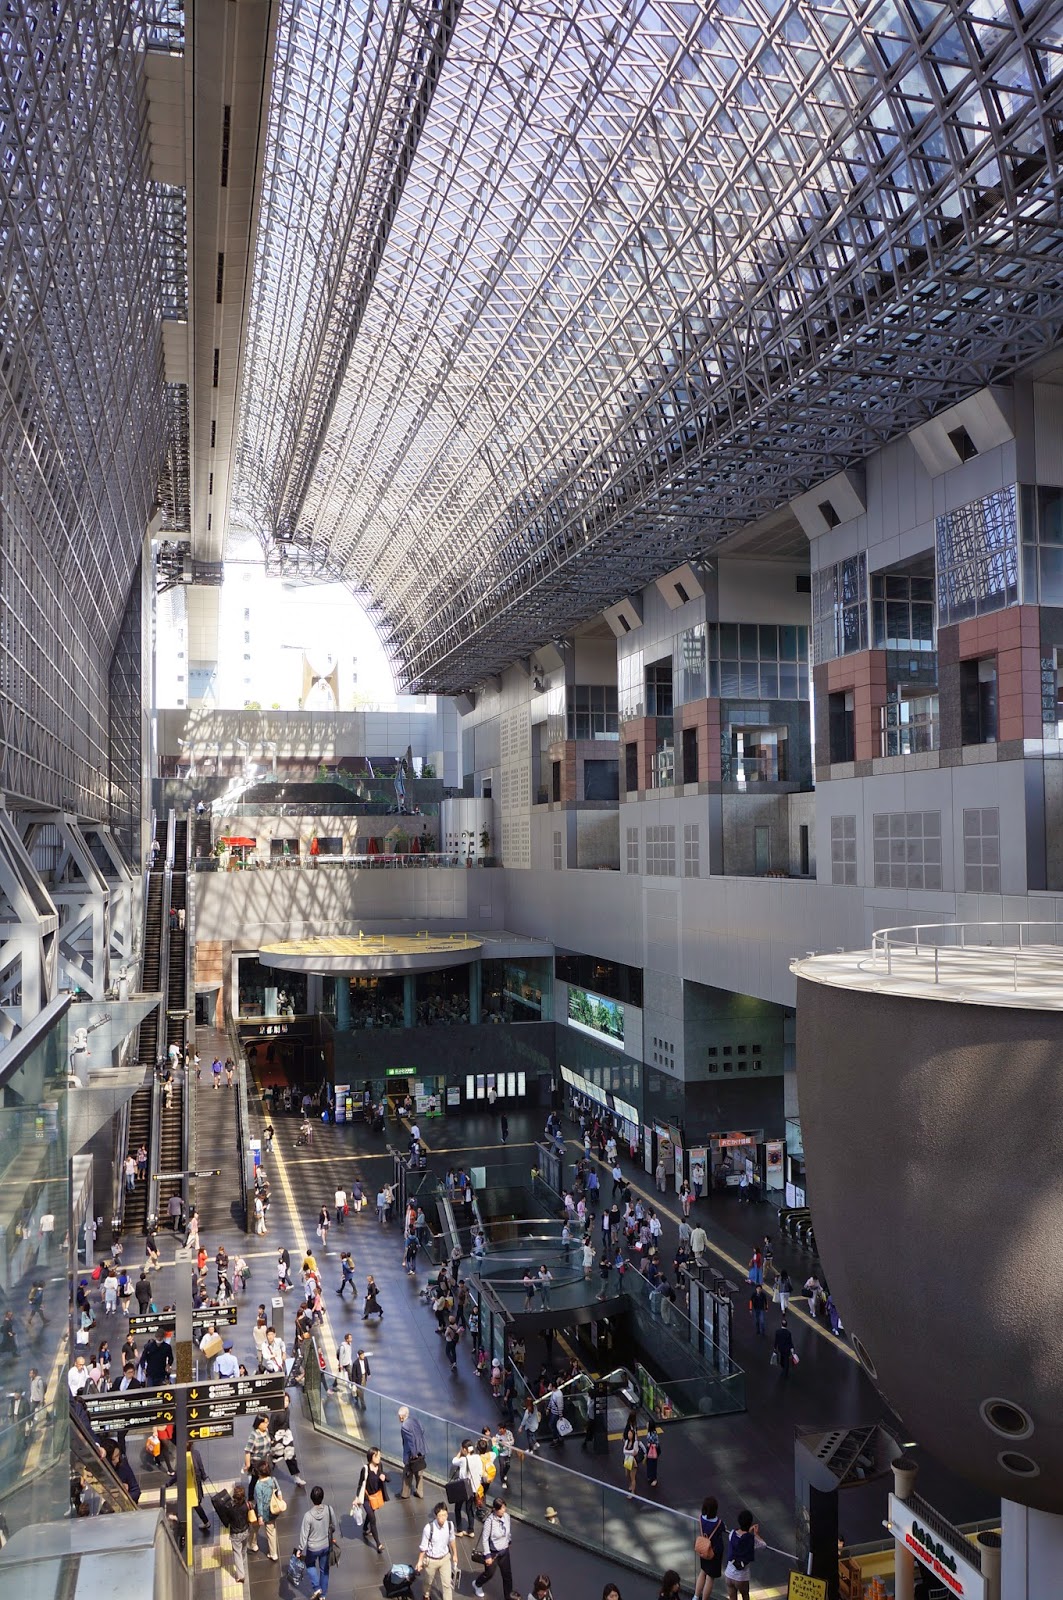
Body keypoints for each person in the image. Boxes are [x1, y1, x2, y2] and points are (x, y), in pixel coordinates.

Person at [297, 1483, 338, 1598]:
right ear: (322, 1497)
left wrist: (300, 1549)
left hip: (313, 1547)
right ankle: (323, 1595)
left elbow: (304, 1535)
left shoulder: (308, 1516)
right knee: (324, 1570)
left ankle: (317, 1588)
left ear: (311, 1498)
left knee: (310, 1564)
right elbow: (333, 1526)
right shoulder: (329, 1509)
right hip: (325, 1545)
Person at [472, 1497, 515, 1599]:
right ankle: (477, 1584)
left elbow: (508, 1531)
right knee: (489, 1574)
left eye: (505, 1507)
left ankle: (508, 1598)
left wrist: (509, 1540)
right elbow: (485, 1539)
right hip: (493, 1553)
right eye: (502, 1508)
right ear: (496, 1509)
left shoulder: (507, 1517)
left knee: (507, 1576)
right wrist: (487, 1555)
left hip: (504, 1551)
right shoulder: (489, 1521)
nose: (504, 1510)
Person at [415, 1502, 458, 1600]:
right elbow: (423, 1547)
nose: (443, 1518)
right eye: (440, 1515)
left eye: (445, 1515)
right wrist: (420, 1561)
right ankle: (426, 1595)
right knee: (428, 1581)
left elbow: (452, 1539)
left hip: (445, 1558)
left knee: (447, 1584)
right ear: (435, 1516)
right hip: (431, 1560)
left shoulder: (450, 1525)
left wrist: (455, 1554)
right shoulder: (429, 1528)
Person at [723, 1508, 764, 1599]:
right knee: (745, 1596)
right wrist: (756, 1534)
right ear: (750, 1523)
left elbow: (740, 1539)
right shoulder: (751, 1539)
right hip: (741, 1577)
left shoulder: (732, 1533)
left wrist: (748, 1532)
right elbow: (763, 1545)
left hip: (729, 1574)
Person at [353, 1446, 388, 1553]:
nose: (379, 1458)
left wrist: (384, 1477)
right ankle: (378, 1544)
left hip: (376, 1496)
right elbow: (360, 1484)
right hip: (367, 1498)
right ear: (372, 1456)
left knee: (371, 1512)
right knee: (373, 1519)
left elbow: (387, 1478)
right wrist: (356, 1498)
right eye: (377, 1456)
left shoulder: (380, 1466)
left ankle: (364, 1528)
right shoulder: (365, 1469)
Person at [695, 1495, 726, 1599]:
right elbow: (723, 1529)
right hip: (714, 1552)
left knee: (702, 1572)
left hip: (703, 1549)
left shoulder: (701, 1518)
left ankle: (695, 1596)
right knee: (710, 1578)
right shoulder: (719, 1523)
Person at [251, 1459, 281, 1562]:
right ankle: (273, 1554)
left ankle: (253, 1544)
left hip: (262, 1511)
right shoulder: (272, 1480)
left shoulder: (258, 1485)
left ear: (259, 1473)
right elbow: (279, 1492)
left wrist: (260, 1516)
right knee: (271, 1531)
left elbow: (259, 1502)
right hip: (272, 1510)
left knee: (254, 1528)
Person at [399, 1405, 427, 1497]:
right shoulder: (416, 1420)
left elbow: (410, 1441)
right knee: (419, 1473)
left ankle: (405, 1494)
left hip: (412, 1454)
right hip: (421, 1451)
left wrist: (414, 1453)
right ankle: (420, 1492)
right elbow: (422, 1430)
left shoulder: (404, 1426)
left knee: (407, 1472)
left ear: (402, 1416)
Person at [228, 1482, 252, 1583]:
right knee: (244, 1549)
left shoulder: (231, 1509)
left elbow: (226, 1521)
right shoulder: (247, 1505)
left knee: (237, 1552)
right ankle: (241, 1564)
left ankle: (241, 1575)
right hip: (246, 1530)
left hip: (235, 1533)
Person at [773, 1315, 795, 1382]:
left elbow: (776, 1341)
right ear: (786, 1325)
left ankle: (782, 1366)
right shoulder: (788, 1333)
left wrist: (775, 1348)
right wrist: (792, 1350)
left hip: (780, 1348)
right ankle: (786, 1373)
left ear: (781, 1324)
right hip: (787, 1349)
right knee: (786, 1361)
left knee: (782, 1358)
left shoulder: (777, 1332)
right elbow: (790, 1342)